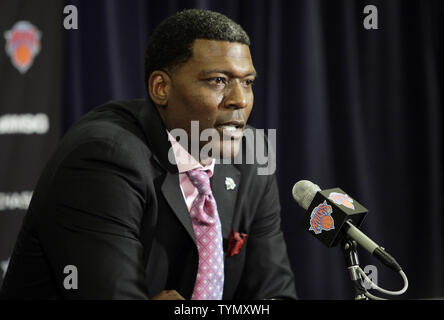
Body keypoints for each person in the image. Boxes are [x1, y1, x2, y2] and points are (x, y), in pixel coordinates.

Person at [0, 9, 297, 300]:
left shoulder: (251, 156)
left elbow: (275, 294)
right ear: (161, 88)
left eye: (247, 82)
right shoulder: (105, 157)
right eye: (218, 80)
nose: (240, 100)